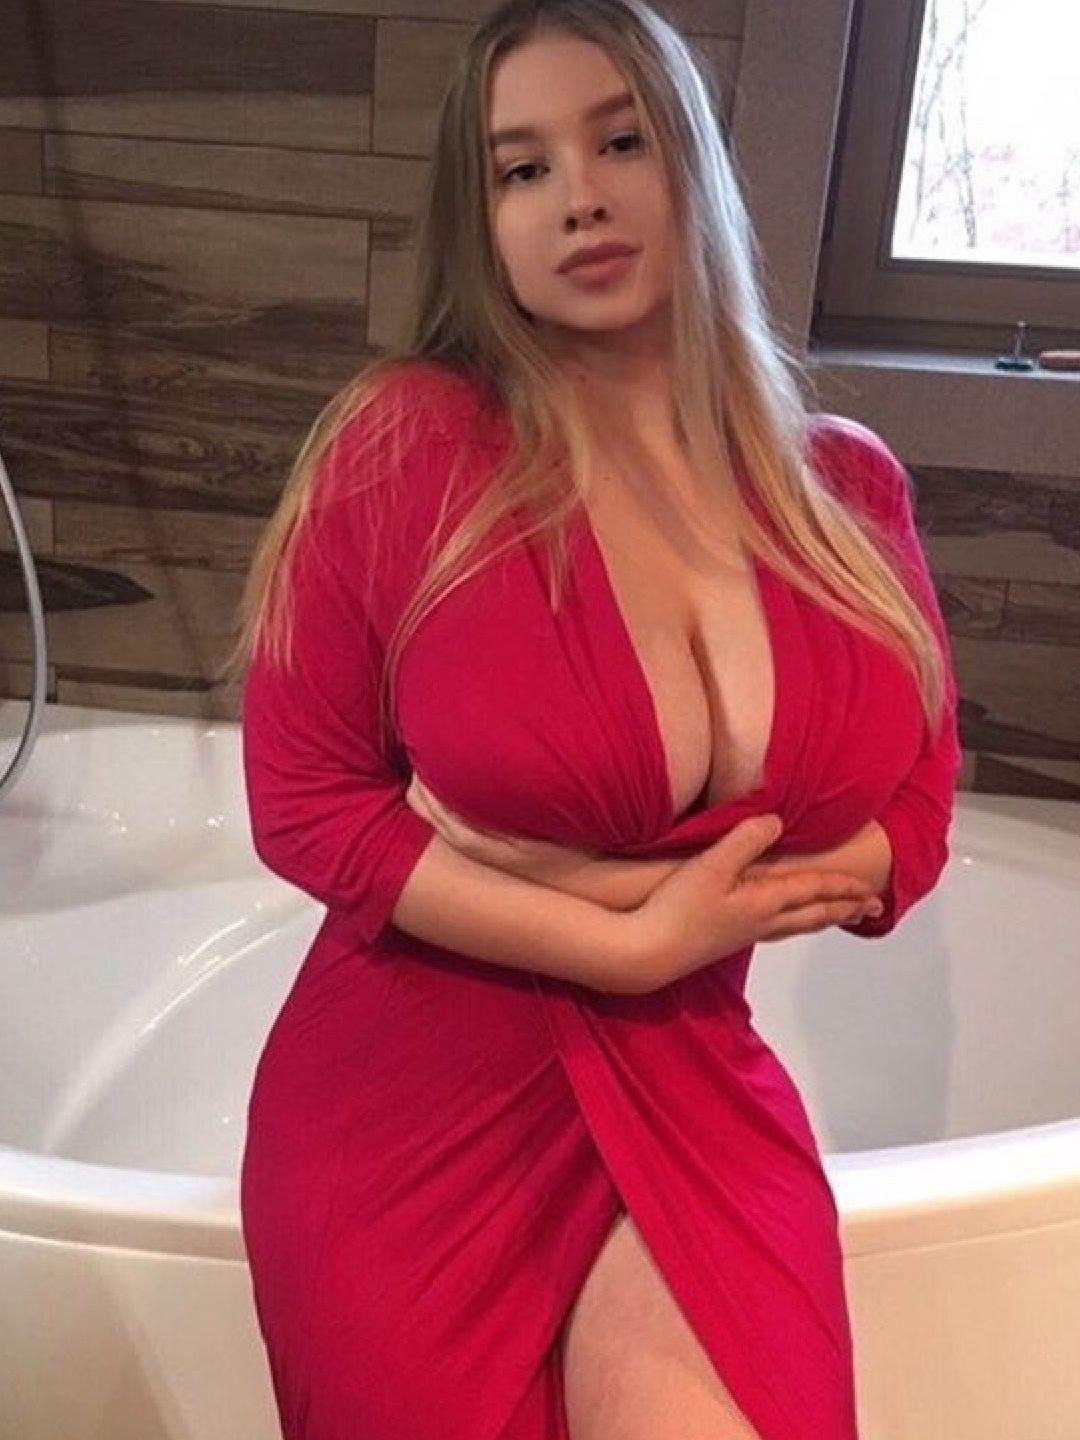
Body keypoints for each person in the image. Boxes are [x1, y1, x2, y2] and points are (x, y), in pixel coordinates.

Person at [231, 0, 962, 1436]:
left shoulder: (846, 489)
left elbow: (921, 801)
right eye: (523, 168)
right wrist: (629, 939)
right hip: (413, 1111)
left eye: (620, 141)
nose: (578, 196)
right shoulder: (407, 445)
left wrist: (673, 903)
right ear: (483, 223)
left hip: (693, 1076)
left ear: (692, 162)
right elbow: (305, 805)